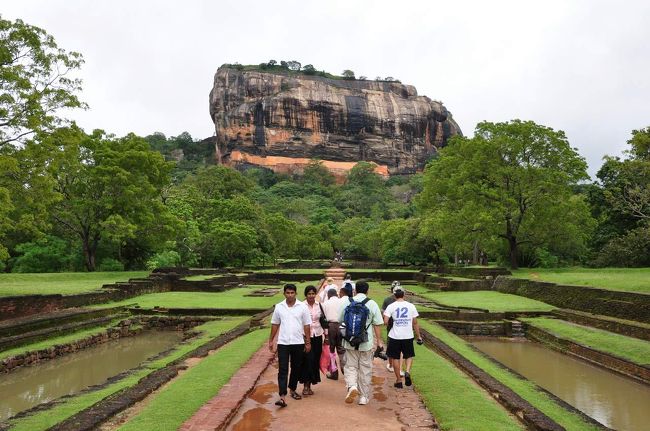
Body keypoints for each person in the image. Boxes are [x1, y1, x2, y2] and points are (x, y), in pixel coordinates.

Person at [339, 280, 384, 406]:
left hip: (350, 340)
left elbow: (340, 320)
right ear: (367, 290)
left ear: (355, 290)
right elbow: (377, 324)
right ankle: (363, 397)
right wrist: (379, 342)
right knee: (365, 369)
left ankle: (352, 386)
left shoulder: (347, 302)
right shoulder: (372, 303)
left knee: (350, 366)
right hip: (366, 342)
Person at [269, 283, 312, 408]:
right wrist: (271, 340)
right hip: (283, 342)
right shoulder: (279, 307)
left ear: (296, 293)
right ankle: (282, 396)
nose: (290, 295)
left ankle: (292, 389)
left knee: (296, 367)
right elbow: (275, 324)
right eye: (287, 293)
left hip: (298, 342)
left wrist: (308, 342)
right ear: (284, 294)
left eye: (292, 293)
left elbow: (307, 325)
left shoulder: (302, 307)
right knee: (282, 369)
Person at [383, 284, 422, 388]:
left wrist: (393, 322)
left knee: (395, 357)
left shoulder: (391, 306)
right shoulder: (411, 306)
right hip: (408, 335)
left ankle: (399, 380)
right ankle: (407, 371)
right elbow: (415, 322)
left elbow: (385, 321)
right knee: (408, 355)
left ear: (394, 295)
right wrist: (418, 336)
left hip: (395, 335)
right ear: (404, 295)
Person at [299, 285, 324, 395]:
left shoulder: (319, 305)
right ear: (306, 295)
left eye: (313, 293)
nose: (311, 296)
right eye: (309, 294)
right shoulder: (301, 306)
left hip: (317, 336)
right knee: (307, 360)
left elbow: (323, 321)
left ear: (316, 294)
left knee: (314, 361)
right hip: (304, 337)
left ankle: (310, 384)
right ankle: (305, 386)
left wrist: (326, 336)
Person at [321, 288, 344, 378]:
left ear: (328, 295)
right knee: (341, 349)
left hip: (330, 326)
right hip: (341, 326)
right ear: (336, 294)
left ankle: (334, 372)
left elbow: (323, 317)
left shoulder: (325, 303)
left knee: (331, 349)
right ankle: (345, 370)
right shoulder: (341, 302)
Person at [382, 281, 402, 374]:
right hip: (402, 327)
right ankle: (399, 368)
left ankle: (391, 365)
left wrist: (385, 321)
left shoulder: (387, 300)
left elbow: (383, 313)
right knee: (401, 348)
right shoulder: (405, 302)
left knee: (391, 346)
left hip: (391, 326)